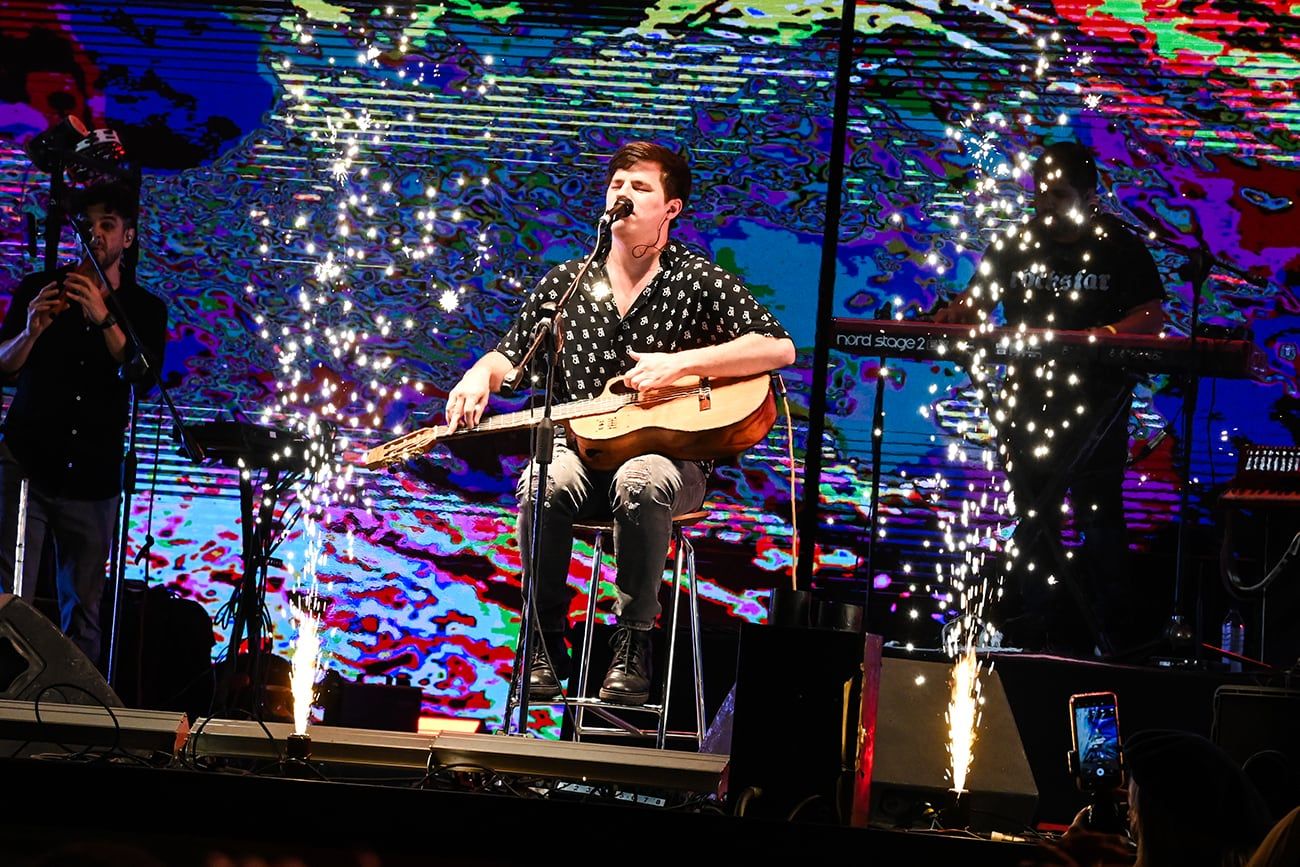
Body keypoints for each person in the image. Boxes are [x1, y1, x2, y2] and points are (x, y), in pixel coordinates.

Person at [444, 141, 794, 705]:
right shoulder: (567, 283)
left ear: (670, 209)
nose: (623, 194)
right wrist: (478, 375)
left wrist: (679, 365)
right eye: (617, 185)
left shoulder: (696, 279)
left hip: (671, 462)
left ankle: (634, 639)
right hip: (581, 455)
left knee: (642, 478)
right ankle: (544, 640)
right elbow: (510, 356)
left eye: (640, 186)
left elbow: (778, 348)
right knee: (541, 483)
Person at [933, 141, 1165, 656]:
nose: (1046, 204)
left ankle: (1113, 634)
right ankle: (1038, 629)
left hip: (1096, 406)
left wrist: (1102, 336)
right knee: (1035, 515)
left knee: (1098, 516)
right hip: (1027, 404)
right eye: (1040, 193)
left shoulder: (1119, 246)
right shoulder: (1016, 244)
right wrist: (955, 314)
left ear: (1089, 196)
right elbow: (977, 303)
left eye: (1058, 195)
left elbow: (1152, 315)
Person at [0, 180, 167, 670]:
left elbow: (144, 378)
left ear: (127, 237)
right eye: (88, 224)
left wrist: (103, 317)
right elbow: (4, 366)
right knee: (10, 603)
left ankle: (74, 710)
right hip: (27, 466)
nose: (96, 233)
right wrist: (30, 332)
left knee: (84, 614)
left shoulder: (143, 309)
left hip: (94, 479)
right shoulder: (41, 288)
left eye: (107, 225)